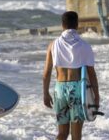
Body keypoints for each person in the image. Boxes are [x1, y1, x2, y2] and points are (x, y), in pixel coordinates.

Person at [43, 11, 100, 140]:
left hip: (60, 90)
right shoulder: (84, 46)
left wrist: (45, 93)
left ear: (62, 25)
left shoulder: (53, 45)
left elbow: (46, 73)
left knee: (62, 133)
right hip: (77, 90)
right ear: (77, 24)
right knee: (76, 135)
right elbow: (92, 74)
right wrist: (96, 96)